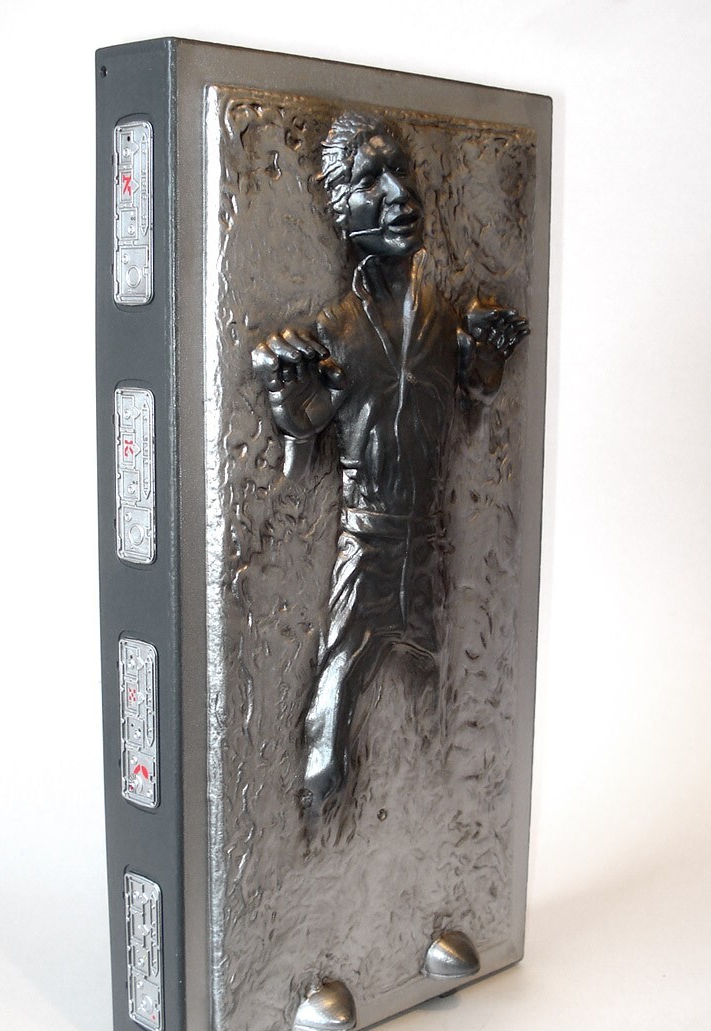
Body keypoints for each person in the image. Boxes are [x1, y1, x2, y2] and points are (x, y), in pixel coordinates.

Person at [251, 110, 528, 821]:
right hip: (368, 546)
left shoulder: (446, 317)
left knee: (441, 700)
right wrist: (287, 400)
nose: (400, 193)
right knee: (332, 706)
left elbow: (479, 405)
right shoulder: (334, 332)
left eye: (401, 172)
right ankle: (314, 842)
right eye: (371, 180)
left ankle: (432, 837)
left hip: (430, 546)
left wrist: (488, 359)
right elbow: (302, 436)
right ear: (340, 210)